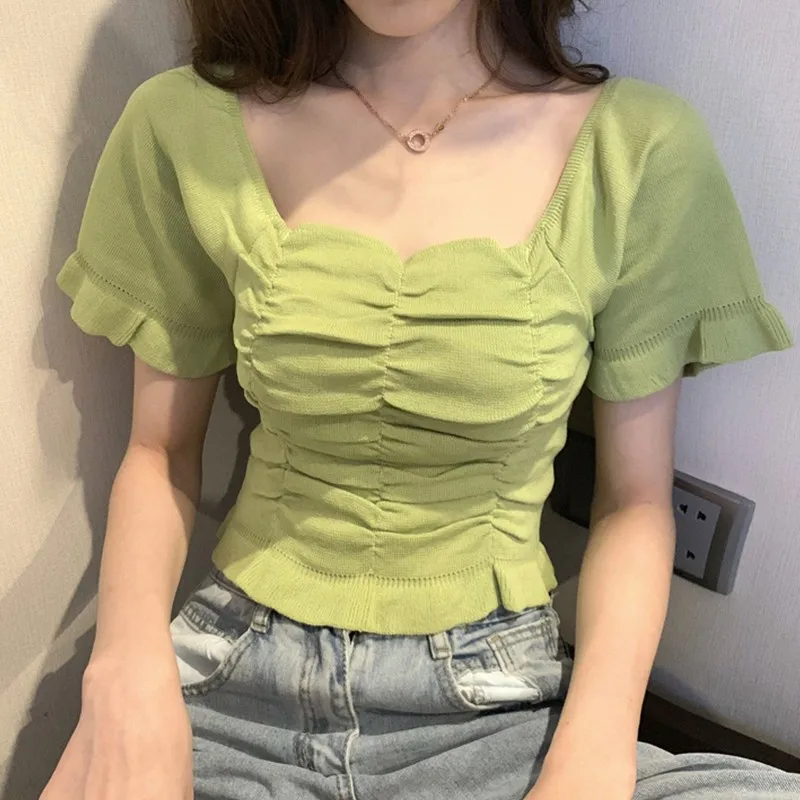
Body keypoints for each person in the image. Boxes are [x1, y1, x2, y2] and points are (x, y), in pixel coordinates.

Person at [42, 0, 798, 798]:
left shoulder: (638, 148)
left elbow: (635, 504)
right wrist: (122, 675)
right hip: (233, 685)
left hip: (498, 710)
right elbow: (159, 453)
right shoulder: (185, 126)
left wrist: (595, 751)